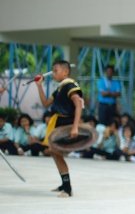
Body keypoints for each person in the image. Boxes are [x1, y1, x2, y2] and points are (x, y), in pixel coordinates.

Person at [33, 60, 85, 197]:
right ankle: (64, 183)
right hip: (58, 123)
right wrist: (39, 86)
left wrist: (75, 127)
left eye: (56, 70)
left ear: (66, 71)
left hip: (66, 123)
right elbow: (45, 103)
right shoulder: (60, 88)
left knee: (56, 152)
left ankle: (67, 189)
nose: (53, 73)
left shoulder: (70, 85)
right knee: (55, 154)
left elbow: (78, 104)